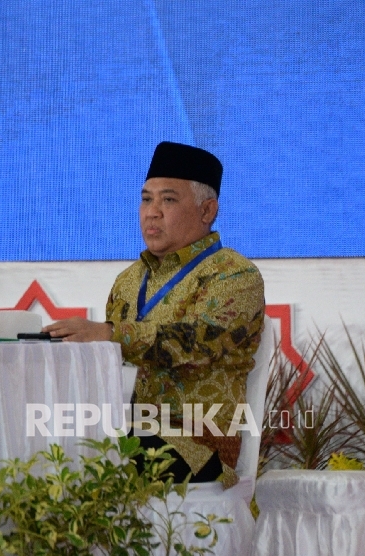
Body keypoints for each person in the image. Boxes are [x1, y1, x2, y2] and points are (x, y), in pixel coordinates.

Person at [44, 141, 265, 487]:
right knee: (49, 442)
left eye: (169, 199)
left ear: (207, 211)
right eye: (146, 199)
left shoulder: (234, 275)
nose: (152, 212)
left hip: (197, 447)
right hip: (129, 431)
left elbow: (196, 341)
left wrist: (111, 333)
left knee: (98, 451)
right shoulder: (128, 281)